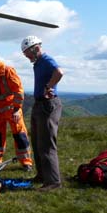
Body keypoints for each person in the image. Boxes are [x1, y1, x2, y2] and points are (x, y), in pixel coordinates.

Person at [21, 36, 64, 191]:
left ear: (35, 48)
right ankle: (42, 176)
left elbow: (59, 72)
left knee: (46, 144)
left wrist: (49, 86)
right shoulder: (38, 62)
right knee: (38, 142)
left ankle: (53, 182)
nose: (27, 57)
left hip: (48, 105)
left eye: (28, 54)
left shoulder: (46, 59)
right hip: (39, 104)